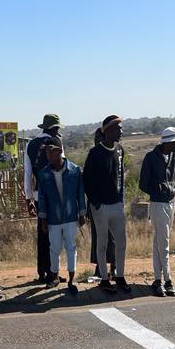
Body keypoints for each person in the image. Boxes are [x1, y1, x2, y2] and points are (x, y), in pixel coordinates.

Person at [82, 115, 130, 295]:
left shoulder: (120, 150)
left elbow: (120, 177)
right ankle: (104, 279)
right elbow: (86, 181)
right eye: (117, 128)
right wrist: (96, 204)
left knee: (121, 243)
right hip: (101, 207)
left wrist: (121, 200)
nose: (121, 131)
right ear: (107, 130)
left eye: (121, 128)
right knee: (102, 244)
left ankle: (120, 276)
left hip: (117, 205)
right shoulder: (95, 153)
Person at [36, 137, 87, 296]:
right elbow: (42, 197)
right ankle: (55, 276)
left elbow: (80, 193)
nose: (47, 156)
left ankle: (72, 279)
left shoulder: (74, 170)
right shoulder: (44, 174)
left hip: (71, 217)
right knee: (54, 248)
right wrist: (43, 219)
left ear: (58, 151)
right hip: (53, 219)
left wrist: (82, 213)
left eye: (49, 152)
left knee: (71, 247)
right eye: (46, 152)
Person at [139, 126, 175, 297]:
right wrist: (159, 191)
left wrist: (169, 190)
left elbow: (172, 177)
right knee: (163, 243)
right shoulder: (150, 158)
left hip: (170, 202)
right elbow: (143, 183)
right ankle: (168, 280)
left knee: (160, 241)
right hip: (158, 203)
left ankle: (158, 279)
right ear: (168, 142)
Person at [24, 114, 62, 283]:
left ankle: (41, 272)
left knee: (42, 233)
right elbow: (63, 169)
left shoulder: (30, 145)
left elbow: (27, 174)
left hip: (39, 196)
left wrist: (28, 199)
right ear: (54, 128)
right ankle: (53, 271)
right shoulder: (57, 143)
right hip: (55, 195)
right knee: (55, 235)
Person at [88, 128, 116, 281]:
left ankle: (114, 267)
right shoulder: (93, 155)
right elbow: (88, 182)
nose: (98, 141)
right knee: (99, 237)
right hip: (96, 205)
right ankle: (100, 268)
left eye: (100, 137)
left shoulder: (114, 154)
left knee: (113, 237)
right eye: (96, 138)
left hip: (112, 203)